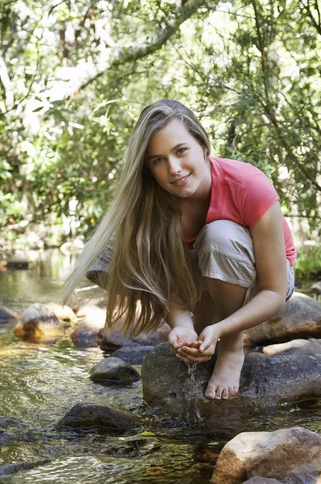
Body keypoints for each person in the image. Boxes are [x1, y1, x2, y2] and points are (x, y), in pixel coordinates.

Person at [64, 100, 296, 401]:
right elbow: (158, 269)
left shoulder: (249, 186)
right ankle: (200, 323)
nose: (174, 169)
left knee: (219, 236)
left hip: (260, 282)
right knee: (101, 253)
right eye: (158, 160)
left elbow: (275, 292)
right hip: (201, 278)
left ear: (203, 145)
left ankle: (230, 345)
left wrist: (223, 331)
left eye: (181, 151)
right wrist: (180, 324)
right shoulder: (153, 201)